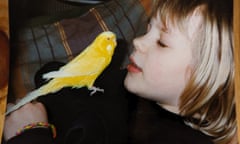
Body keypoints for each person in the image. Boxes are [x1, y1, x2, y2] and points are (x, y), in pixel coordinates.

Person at [4, 0, 237, 144]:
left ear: (207, 77)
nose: (138, 41)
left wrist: (30, 135)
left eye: (162, 42)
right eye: (148, 27)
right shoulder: (131, 84)